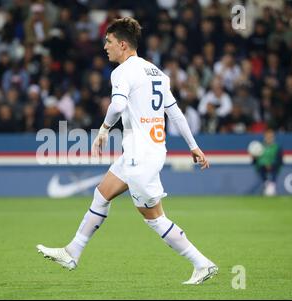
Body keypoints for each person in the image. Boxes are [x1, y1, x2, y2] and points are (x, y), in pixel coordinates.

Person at [37, 17, 218, 285]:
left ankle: (202, 263)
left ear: (123, 44)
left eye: (108, 42)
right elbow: (176, 114)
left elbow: (118, 106)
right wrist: (193, 146)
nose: (104, 47)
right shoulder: (157, 72)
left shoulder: (122, 72)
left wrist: (103, 129)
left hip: (140, 157)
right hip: (146, 151)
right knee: (102, 194)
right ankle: (72, 252)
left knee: (154, 218)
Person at [252, 129, 283, 196]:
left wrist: (271, 164)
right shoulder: (259, 147)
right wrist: (254, 157)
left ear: (273, 137)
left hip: (274, 166)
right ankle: (267, 184)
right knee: (260, 168)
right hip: (262, 167)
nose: (269, 138)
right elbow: (254, 161)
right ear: (264, 137)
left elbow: (280, 160)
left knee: (275, 168)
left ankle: (271, 185)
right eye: (267, 136)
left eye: (271, 136)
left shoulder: (277, 147)